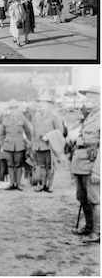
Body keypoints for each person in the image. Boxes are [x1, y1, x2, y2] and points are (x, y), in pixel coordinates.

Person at [71, 85, 100, 244]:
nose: (87, 101)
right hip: (81, 162)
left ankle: (97, 232)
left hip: (92, 165)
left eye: (90, 98)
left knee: (94, 199)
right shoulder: (90, 117)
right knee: (82, 197)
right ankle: (89, 227)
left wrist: (98, 171)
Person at [31, 94, 64, 193]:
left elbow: (60, 130)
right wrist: (33, 144)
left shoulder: (54, 116)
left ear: (48, 105)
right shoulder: (36, 117)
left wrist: (48, 136)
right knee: (41, 166)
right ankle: (42, 184)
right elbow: (33, 131)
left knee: (50, 166)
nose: (39, 107)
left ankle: (50, 185)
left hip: (49, 146)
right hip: (38, 146)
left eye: (42, 105)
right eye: (39, 105)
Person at [0, 100, 33, 190]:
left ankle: (18, 184)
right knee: (10, 164)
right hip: (8, 145)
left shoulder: (22, 119)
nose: (13, 110)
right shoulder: (5, 119)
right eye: (11, 108)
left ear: (18, 109)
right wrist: (3, 144)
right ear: (9, 109)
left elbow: (28, 131)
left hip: (19, 145)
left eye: (15, 108)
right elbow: (1, 134)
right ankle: (11, 183)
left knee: (18, 164)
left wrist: (29, 143)